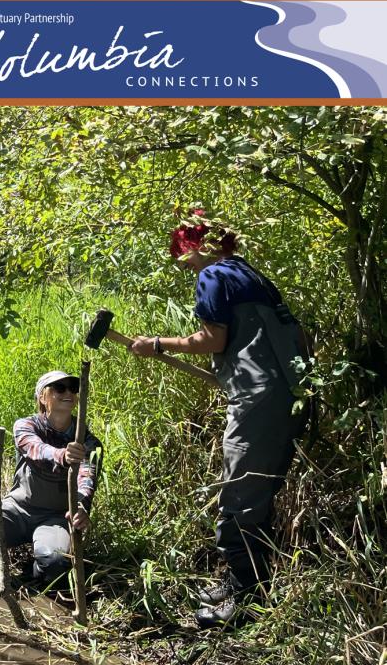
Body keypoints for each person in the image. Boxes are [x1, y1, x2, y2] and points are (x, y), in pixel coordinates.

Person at [130, 211, 308, 629]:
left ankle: (245, 602)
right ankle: (241, 581)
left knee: (239, 496)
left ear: (199, 247)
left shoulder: (213, 276)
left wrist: (155, 343)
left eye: (185, 256)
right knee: (257, 492)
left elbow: (214, 338)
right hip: (291, 396)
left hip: (259, 401)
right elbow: (297, 336)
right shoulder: (251, 274)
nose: (186, 265)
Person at [0, 370, 103, 591]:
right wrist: (62, 456)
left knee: (54, 563)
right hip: (17, 509)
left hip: (55, 518)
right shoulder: (26, 426)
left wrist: (81, 505)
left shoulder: (87, 440)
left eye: (73, 389)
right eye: (59, 388)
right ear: (42, 396)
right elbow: (35, 449)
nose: (68, 393)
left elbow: (87, 477)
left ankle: (30, 578)